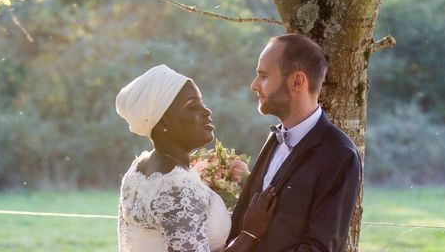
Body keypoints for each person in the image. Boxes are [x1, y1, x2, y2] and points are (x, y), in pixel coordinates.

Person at [116, 64, 277, 252]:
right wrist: (251, 232)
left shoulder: (138, 169)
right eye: (193, 106)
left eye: (202, 103)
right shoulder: (178, 188)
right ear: (163, 122)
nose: (206, 111)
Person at [229, 34, 361, 251]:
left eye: (263, 76)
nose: (254, 86)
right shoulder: (274, 138)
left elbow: (319, 248)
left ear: (297, 81)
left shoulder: (340, 154)